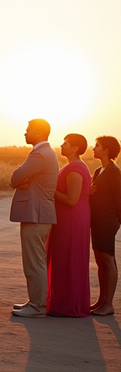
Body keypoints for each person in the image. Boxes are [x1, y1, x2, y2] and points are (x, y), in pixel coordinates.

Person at [9, 119, 59, 318]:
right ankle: (35, 301)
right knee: (33, 260)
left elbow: (15, 177)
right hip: (37, 214)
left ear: (39, 133)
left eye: (28, 130)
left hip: (36, 214)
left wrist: (21, 178)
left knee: (34, 262)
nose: (25, 133)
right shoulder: (46, 153)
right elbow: (19, 178)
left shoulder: (40, 154)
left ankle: (37, 306)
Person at [44, 134, 92, 318]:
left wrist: (50, 190)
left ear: (75, 148)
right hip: (68, 218)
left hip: (72, 220)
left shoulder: (74, 169)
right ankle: (62, 302)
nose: (62, 145)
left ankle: (68, 305)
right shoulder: (72, 167)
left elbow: (71, 200)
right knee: (63, 259)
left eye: (66, 143)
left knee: (69, 259)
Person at [90, 136, 121, 316]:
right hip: (97, 221)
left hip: (108, 221)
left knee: (108, 260)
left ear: (107, 150)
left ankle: (108, 304)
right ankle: (101, 301)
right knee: (100, 261)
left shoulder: (114, 171)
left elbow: (118, 198)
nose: (94, 148)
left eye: (97, 146)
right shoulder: (97, 171)